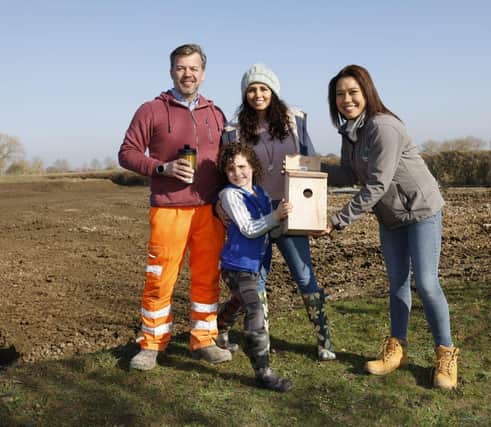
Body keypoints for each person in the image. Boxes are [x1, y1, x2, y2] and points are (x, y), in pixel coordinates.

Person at [319, 64, 459, 389]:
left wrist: (336, 221)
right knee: (396, 283)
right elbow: (349, 175)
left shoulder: (383, 127)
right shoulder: (350, 133)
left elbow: (377, 184)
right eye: (340, 94)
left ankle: (446, 354)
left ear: (366, 92)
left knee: (425, 282)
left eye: (352, 92)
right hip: (391, 217)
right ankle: (397, 349)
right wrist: (310, 167)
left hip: (420, 210)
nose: (346, 99)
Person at [118, 43, 231, 370]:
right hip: (168, 209)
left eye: (194, 68)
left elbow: (227, 158)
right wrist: (161, 168)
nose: (188, 74)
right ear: (171, 71)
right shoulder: (151, 110)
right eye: (181, 68)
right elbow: (126, 153)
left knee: (207, 277)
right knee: (159, 278)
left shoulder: (216, 113)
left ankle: (204, 339)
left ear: (203, 73)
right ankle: (152, 344)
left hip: (208, 211)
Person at [217, 63, 336, 361]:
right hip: (254, 212)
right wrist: (219, 205)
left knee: (304, 275)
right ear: (245, 94)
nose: (258, 94)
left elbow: (312, 163)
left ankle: (324, 339)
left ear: (273, 91)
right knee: (254, 281)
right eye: (252, 89)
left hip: (290, 209)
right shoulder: (233, 132)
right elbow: (226, 171)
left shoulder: (294, 121)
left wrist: (299, 167)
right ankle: (258, 342)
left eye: (263, 88)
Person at [217, 143, 293, 392]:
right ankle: (263, 372)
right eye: (230, 168)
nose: (237, 173)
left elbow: (271, 230)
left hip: (256, 265)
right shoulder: (230, 195)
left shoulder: (259, 193)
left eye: (242, 166)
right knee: (254, 309)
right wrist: (276, 217)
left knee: (239, 303)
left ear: (252, 167)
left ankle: (219, 326)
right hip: (236, 265)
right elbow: (249, 229)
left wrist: (285, 219)